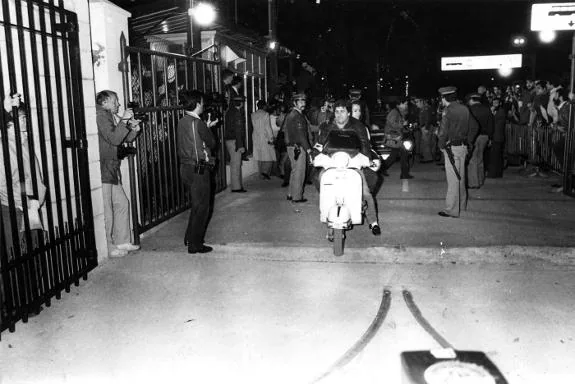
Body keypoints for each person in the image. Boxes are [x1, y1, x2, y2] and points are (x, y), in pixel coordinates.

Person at [316, 100, 381, 235]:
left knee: (365, 192)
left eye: (342, 111)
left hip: (352, 163)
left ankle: (373, 222)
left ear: (348, 113)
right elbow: (319, 143)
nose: (339, 115)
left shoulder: (358, 126)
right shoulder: (327, 125)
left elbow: (364, 144)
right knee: (320, 180)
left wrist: (367, 160)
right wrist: (314, 154)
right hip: (332, 163)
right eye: (337, 112)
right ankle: (327, 213)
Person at [96, 90, 141, 257]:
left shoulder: (108, 115)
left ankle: (122, 241)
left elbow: (125, 138)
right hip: (104, 169)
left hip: (111, 169)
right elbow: (114, 139)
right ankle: (109, 247)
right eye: (115, 101)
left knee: (121, 203)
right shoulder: (101, 116)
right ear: (105, 102)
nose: (118, 104)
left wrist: (134, 128)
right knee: (107, 210)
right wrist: (124, 120)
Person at [177, 90, 217, 254]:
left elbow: (192, 139)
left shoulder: (182, 121)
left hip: (186, 167)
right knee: (203, 207)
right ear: (196, 104)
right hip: (199, 168)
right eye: (201, 102)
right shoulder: (198, 123)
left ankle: (189, 237)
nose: (203, 105)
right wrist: (208, 128)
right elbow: (212, 143)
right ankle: (195, 244)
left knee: (196, 204)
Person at [437, 86, 478, 218]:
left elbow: (443, 132)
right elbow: (474, 126)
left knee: (453, 179)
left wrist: (441, 145)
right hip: (463, 147)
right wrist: (469, 140)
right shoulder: (464, 108)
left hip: (451, 148)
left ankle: (451, 210)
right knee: (461, 177)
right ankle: (462, 205)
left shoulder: (447, 111)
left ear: (444, 98)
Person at [284, 93, 311, 203]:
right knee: (300, 172)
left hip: (292, 147)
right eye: (300, 102)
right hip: (298, 147)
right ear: (294, 103)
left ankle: (291, 193)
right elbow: (301, 135)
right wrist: (307, 148)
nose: (303, 104)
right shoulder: (298, 116)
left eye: (304, 101)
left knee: (294, 171)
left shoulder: (291, 114)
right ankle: (297, 196)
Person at [467, 93, 494, 188]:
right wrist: (490, 137)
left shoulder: (470, 110)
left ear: (472, 99)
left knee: (472, 159)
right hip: (485, 136)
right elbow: (491, 124)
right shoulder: (487, 110)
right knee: (480, 158)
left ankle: (474, 183)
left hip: (474, 136)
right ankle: (481, 179)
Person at [384, 98, 413, 179]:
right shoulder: (394, 112)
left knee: (395, 156)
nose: (406, 105)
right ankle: (404, 174)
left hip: (397, 137)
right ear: (399, 104)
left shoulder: (398, 112)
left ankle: (382, 169)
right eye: (405, 104)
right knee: (403, 155)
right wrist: (403, 124)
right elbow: (392, 124)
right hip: (396, 138)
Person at [224, 94, 247, 192]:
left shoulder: (229, 112)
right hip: (235, 141)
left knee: (234, 164)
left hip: (230, 140)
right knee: (236, 165)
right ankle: (236, 187)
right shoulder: (237, 113)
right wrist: (240, 145)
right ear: (241, 103)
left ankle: (236, 186)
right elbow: (238, 130)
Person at [251, 100, 276, 180]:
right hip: (264, 136)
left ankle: (260, 173)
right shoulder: (266, 114)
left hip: (255, 136)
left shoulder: (253, 114)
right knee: (269, 155)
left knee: (259, 155)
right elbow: (268, 128)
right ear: (264, 106)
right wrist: (271, 138)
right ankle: (265, 172)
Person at [487, 97, 506, 179]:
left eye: (496, 103)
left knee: (495, 156)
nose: (494, 105)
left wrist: (491, 113)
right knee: (497, 156)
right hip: (498, 136)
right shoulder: (499, 112)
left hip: (497, 136)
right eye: (493, 103)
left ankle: (494, 173)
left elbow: (494, 123)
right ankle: (498, 173)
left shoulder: (501, 112)